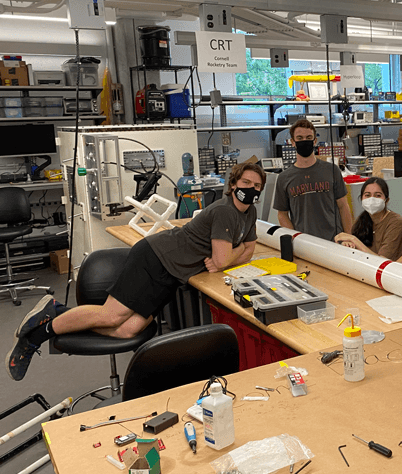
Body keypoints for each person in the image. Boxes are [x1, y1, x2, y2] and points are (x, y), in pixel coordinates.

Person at [7, 162, 267, 381]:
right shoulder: (224, 211)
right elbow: (223, 260)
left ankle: (58, 313)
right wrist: (236, 251)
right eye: (246, 183)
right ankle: (38, 334)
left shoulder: (249, 212)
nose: (250, 190)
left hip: (173, 273)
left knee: (128, 329)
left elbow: (248, 250)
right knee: (111, 317)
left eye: (256, 186)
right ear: (233, 184)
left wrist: (235, 252)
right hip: (156, 257)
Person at [274, 119, 352, 241]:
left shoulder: (332, 170)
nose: (304, 141)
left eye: (308, 137)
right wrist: (295, 239)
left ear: (315, 141)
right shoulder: (284, 178)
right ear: (292, 142)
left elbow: (343, 206)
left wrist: (349, 237)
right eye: (299, 138)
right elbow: (282, 214)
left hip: (334, 240)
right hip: (304, 244)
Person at [333, 176, 402, 261]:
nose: (372, 199)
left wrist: (353, 239)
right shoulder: (362, 219)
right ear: (361, 199)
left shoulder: (396, 223)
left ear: (386, 200)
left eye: (378, 195)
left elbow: (382, 262)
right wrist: (347, 244)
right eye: (367, 195)